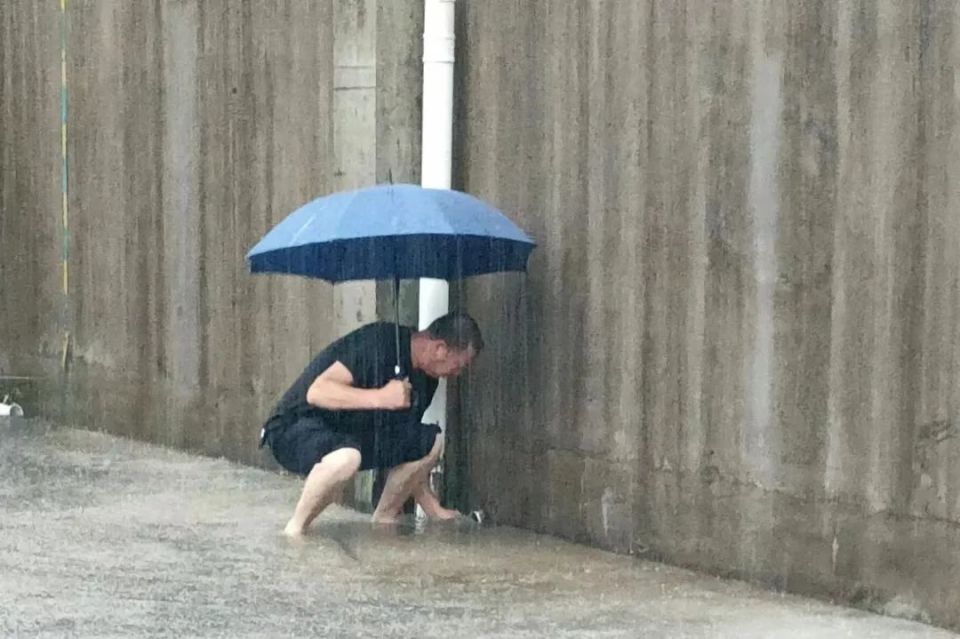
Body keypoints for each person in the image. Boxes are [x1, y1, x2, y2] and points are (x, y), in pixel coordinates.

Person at [259, 311, 483, 536]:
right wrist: (381, 397)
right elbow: (317, 392)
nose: (458, 373)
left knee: (429, 442)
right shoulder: (378, 343)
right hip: (294, 428)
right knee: (347, 458)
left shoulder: (427, 378)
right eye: (459, 365)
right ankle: (294, 530)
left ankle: (384, 518)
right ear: (440, 349)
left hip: (348, 436)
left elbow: (408, 451)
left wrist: (432, 508)